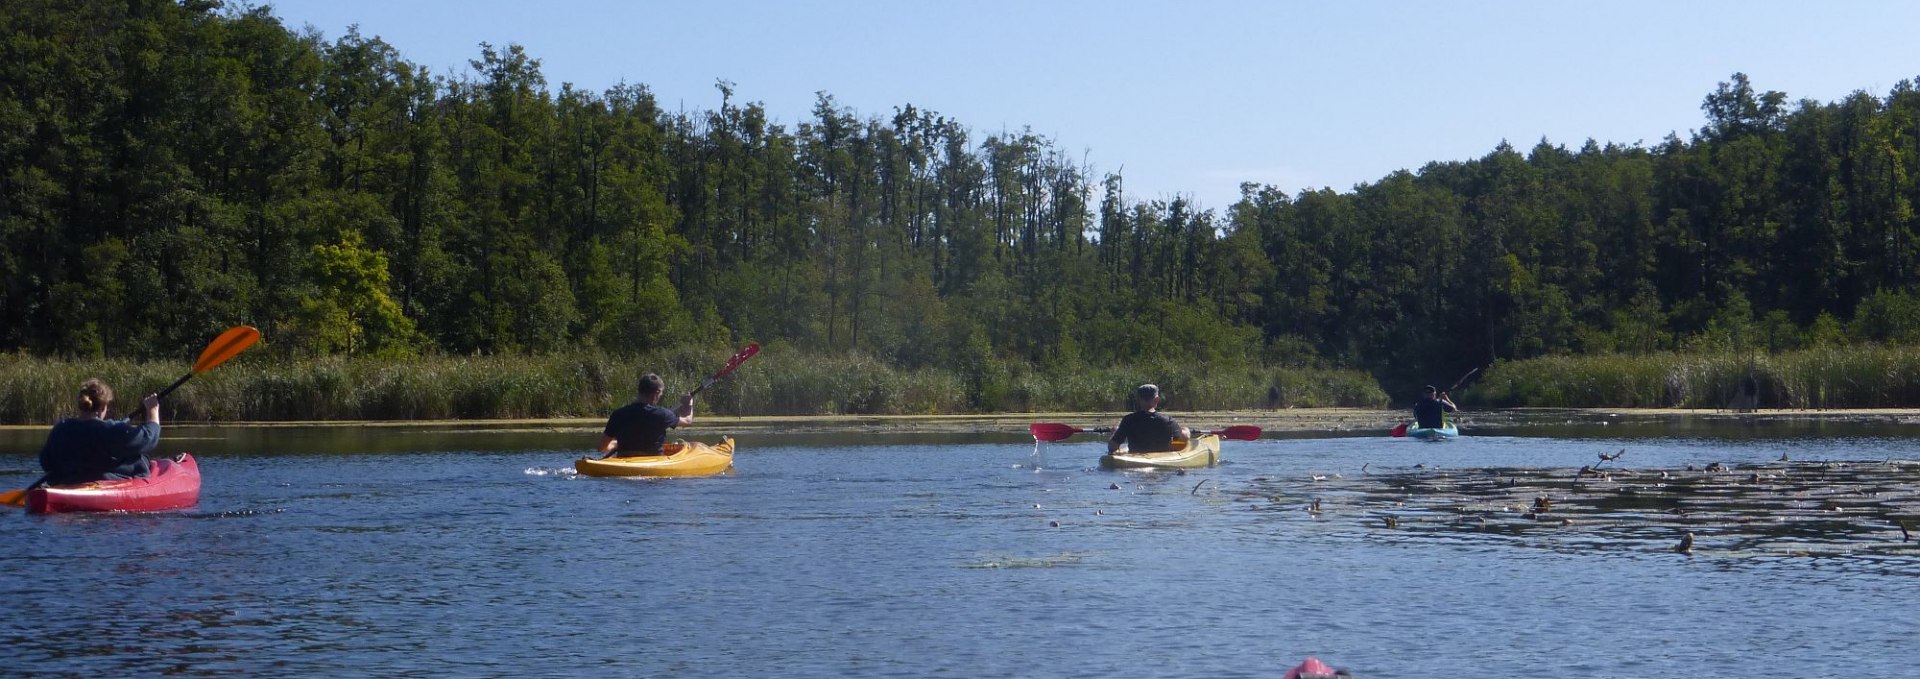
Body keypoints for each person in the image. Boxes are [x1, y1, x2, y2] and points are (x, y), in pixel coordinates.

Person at [39, 378, 162, 486]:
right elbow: (148, 439)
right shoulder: (111, 429)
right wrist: (152, 411)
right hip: (101, 484)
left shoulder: (60, 428)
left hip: (66, 482)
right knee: (139, 456)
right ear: (103, 406)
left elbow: (45, 462)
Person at [598, 373, 695, 456]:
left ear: (640, 390)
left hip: (624, 460)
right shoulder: (662, 414)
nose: (659, 397)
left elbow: (602, 448)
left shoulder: (618, 414)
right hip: (653, 463)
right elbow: (687, 421)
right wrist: (689, 403)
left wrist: (615, 444)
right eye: (660, 394)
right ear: (656, 393)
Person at [1108, 383, 1190, 454]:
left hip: (1136, 459)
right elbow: (1182, 439)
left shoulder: (1128, 420)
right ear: (1157, 400)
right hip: (1161, 460)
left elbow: (1112, 447)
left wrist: (1114, 434)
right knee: (1185, 430)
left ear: (1139, 399)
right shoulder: (1168, 420)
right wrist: (1186, 431)